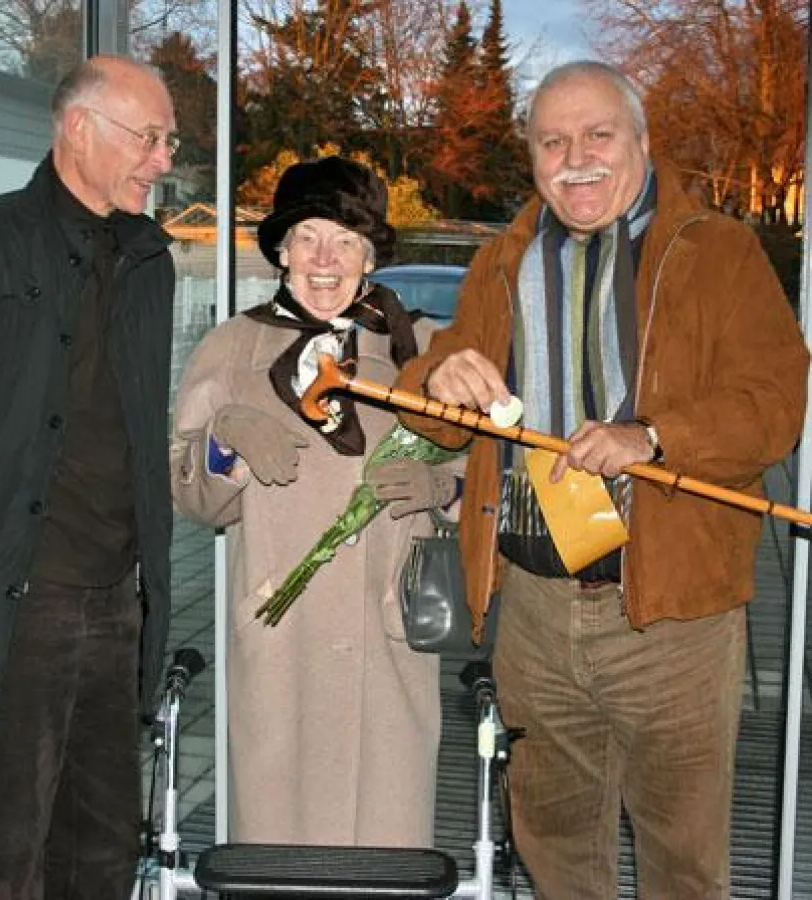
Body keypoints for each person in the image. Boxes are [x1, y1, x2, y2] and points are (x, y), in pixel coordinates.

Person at [396, 60, 809, 899]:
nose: (575, 157)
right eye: (553, 141)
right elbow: (433, 414)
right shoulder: (501, 263)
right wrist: (435, 378)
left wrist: (653, 437)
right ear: (533, 160)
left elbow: (777, 404)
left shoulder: (718, 252)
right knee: (553, 850)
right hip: (536, 616)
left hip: (674, 618)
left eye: (597, 135)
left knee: (683, 865)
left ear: (642, 143)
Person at [171, 156, 456, 847]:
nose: (324, 259)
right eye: (308, 237)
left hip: (386, 648)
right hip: (281, 643)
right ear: (281, 249)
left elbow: (487, 465)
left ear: (369, 256)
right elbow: (188, 488)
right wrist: (225, 440)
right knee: (279, 852)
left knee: (386, 857)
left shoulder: (423, 348)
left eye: (345, 241)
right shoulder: (232, 346)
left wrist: (443, 486)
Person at [0, 56, 177, 899]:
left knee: (99, 850)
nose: (163, 159)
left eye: (169, 140)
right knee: (1, 852)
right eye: (148, 137)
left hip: (118, 605)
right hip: (15, 606)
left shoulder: (150, 262)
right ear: (78, 129)